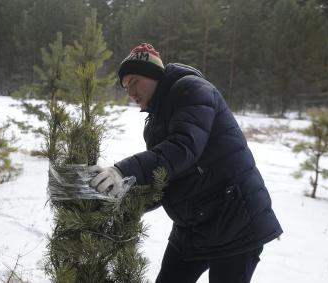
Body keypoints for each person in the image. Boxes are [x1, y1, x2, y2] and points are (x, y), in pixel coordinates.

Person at [89, 43, 283, 283]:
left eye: (135, 81)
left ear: (153, 75)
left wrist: (123, 170)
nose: (130, 92)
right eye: (126, 87)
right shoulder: (154, 124)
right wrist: (127, 201)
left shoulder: (192, 90)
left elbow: (183, 149)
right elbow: (166, 177)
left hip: (235, 218)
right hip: (194, 225)